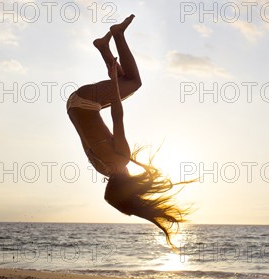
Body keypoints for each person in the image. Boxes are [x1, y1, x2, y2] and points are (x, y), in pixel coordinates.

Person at [67, 14, 191, 248]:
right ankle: (104, 47)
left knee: (132, 83)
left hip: (85, 100)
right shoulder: (103, 168)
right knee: (126, 83)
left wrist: (113, 82)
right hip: (74, 107)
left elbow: (117, 117)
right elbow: (88, 135)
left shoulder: (121, 158)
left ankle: (118, 34)